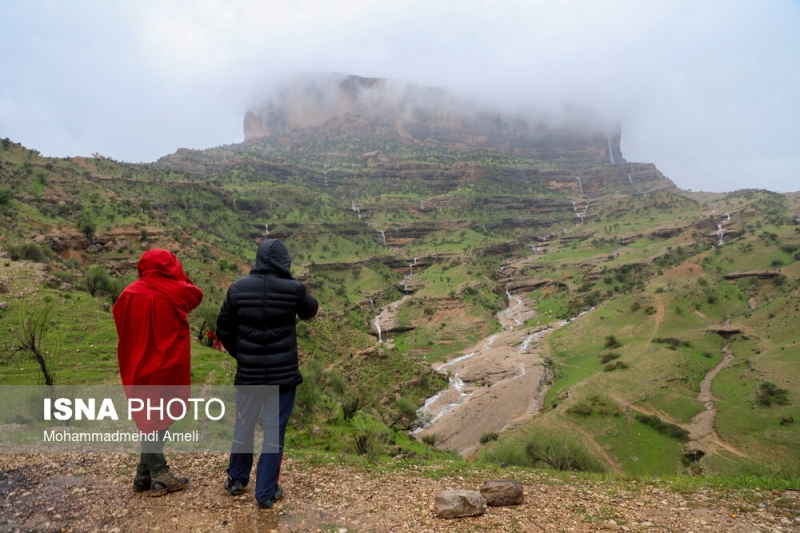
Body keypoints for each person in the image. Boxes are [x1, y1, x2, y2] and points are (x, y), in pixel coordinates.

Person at [216, 239, 318, 509]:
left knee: (244, 424)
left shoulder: (237, 288)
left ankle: (236, 479)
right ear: (285, 261)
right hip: (282, 379)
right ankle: (265, 492)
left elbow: (223, 329)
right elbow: (311, 311)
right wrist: (293, 283)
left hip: (249, 376)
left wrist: (242, 356)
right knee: (274, 432)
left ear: (258, 259)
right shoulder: (293, 289)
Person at [113, 249, 203, 497]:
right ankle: (160, 475)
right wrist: (177, 275)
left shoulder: (127, 293)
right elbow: (196, 294)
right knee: (160, 415)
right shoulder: (177, 291)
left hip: (136, 365)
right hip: (166, 365)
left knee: (149, 417)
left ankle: (144, 473)